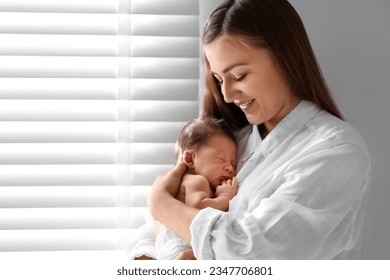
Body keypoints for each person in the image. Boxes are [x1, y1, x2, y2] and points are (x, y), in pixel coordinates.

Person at [132, 0, 372, 259]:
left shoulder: (337, 152)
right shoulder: (228, 142)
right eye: (219, 79)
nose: (226, 94)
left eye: (239, 76)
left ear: (284, 57)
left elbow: (251, 252)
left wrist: (163, 205)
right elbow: (149, 234)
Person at [131, 117, 238, 260]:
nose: (229, 168)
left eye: (233, 164)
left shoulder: (179, 184)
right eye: (220, 159)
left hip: (167, 245)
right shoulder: (197, 181)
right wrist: (224, 198)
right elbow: (199, 207)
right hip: (179, 243)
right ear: (189, 159)